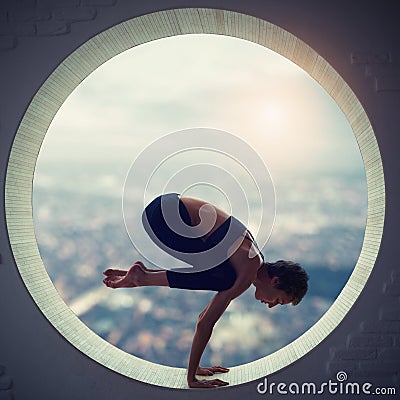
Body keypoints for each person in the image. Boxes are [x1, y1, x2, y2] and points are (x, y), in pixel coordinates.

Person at [103, 193, 308, 389]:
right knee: (225, 279)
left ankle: (142, 275)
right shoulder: (248, 269)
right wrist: (192, 377)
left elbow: (204, 313)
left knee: (223, 275)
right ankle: (142, 277)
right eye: (278, 300)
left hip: (165, 210)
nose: (271, 306)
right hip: (165, 218)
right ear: (275, 280)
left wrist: (198, 367)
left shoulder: (251, 256)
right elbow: (205, 322)